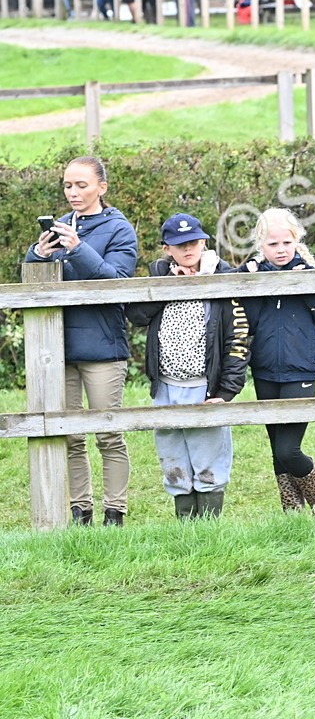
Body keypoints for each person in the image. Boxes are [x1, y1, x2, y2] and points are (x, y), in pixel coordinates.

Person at [25, 156, 138, 526]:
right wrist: (38, 255)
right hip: (58, 347)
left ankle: (115, 512)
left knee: (108, 432)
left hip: (104, 348)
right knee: (70, 435)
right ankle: (81, 511)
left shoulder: (120, 229)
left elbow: (116, 281)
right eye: (68, 185)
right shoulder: (62, 226)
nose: (73, 192)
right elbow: (30, 282)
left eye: (82, 185)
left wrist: (77, 249)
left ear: (101, 188)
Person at [126, 215, 250, 520]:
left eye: (193, 242)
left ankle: (207, 530)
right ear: (167, 249)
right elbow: (137, 315)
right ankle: (185, 527)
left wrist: (227, 391)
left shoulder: (223, 277)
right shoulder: (159, 274)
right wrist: (172, 284)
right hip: (166, 385)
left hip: (204, 385)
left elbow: (239, 338)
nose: (188, 249)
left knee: (208, 458)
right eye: (180, 245)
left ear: (204, 242)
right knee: (173, 459)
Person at [239, 208, 315, 512]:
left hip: (300, 370)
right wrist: (246, 281)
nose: (281, 250)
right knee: (277, 449)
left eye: (286, 243)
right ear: (261, 245)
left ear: (296, 240)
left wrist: (307, 286)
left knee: (289, 449)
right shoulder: (250, 275)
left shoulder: (312, 272)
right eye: (273, 244)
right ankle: (292, 511)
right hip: (264, 370)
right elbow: (241, 320)